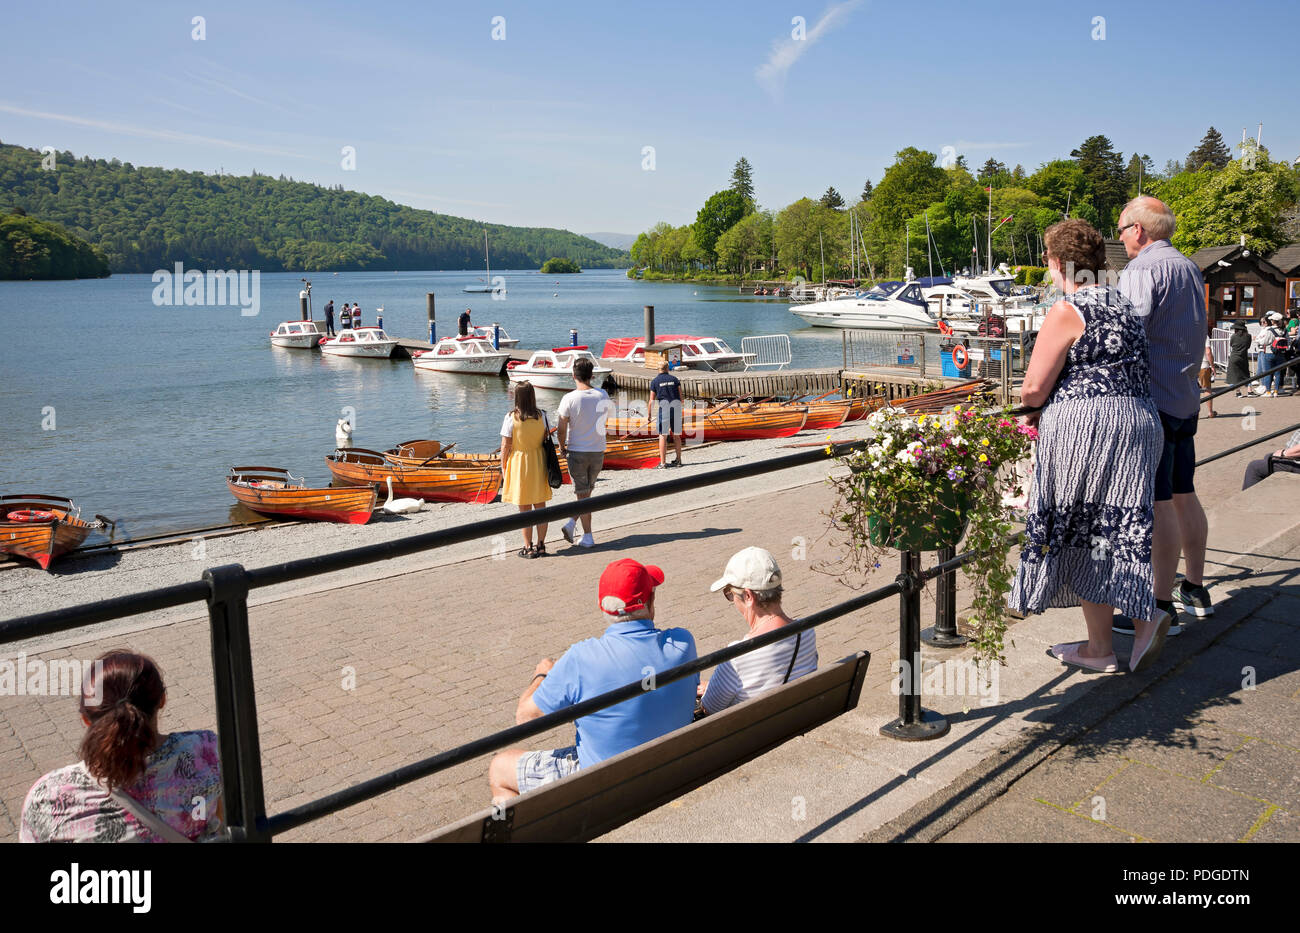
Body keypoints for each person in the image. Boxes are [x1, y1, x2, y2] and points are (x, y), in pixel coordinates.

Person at [1009, 219, 1169, 674]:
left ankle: (1123, 632)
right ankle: (1114, 636)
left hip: (1089, 427)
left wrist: (1031, 407)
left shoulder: (1069, 309)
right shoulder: (1124, 303)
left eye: (1046, 260)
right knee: (1116, 529)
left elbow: (1034, 388)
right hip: (1139, 421)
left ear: (1058, 263)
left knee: (1081, 527)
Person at [487, 559, 696, 798]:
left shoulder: (581, 658)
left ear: (601, 606)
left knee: (500, 767)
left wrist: (542, 674)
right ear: (651, 602)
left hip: (601, 787)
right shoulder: (682, 642)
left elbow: (525, 717)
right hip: (672, 771)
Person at [1116, 196, 1213, 629]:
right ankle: (1193, 586)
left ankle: (1158, 606)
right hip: (1184, 396)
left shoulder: (1143, 269)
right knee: (1182, 492)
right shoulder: (1189, 266)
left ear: (1138, 230)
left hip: (1152, 401)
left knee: (1157, 504)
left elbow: (1126, 335)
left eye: (1120, 229)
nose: (1119, 238)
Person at [20, 650, 223, 842]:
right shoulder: (207, 752)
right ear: (162, 700)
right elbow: (229, 822)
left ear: (86, 719)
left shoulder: (48, 798)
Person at [697, 547, 818, 716]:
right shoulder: (807, 632)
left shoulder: (737, 656)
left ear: (748, 596)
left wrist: (713, 687)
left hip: (750, 735)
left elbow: (709, 709)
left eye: (730, 594)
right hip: (794, 719)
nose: (732, 601)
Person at [557, 357, 611, 548]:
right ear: (592, 376)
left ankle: (581, 530)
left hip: (577, 450)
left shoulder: (569, 398)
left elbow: (561, 428)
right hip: (597, 450)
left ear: (573, 375)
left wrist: (561, 447)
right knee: (586, 493)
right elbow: (606, 419)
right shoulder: (602, 395)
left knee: (582, 493)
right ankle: (578, 528)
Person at [500, 381, 552, 557]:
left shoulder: (511, 418)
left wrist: (503, 467)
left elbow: (505, 446)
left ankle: (528, 547)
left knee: (524, 509)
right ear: (532, 396)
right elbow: (546, 438)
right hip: (539, 460)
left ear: (517, 397)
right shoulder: (542, 415)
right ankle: (542, 544)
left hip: (519, 462)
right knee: (540, 506)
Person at [649, 360, 684, 468]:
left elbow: (651, 401)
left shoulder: (655, 381)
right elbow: (681, 398)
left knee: (663, 436)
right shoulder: (674, 379)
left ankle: (663, 463)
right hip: (676, 408)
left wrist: (649, 415)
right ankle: (678, 460)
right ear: (668, 368)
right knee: (677, 435)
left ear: (658, 369)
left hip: (664, 409)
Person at [1228, 322, 1251, 394]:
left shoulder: (1233, 336)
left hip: (1234, 356)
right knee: (1246, 374)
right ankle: (1249, 391)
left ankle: (1238, 392)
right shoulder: (1248, 336)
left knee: (1235, 375)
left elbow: (1231, 344)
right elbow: (1248, 346)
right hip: (1243, 357)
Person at [1199, 339, 1217, 417]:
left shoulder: (1187, 333)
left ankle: (1195, 414)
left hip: (1190, 366)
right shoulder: (1204, 335)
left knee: (1193, 390)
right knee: (1207, 389)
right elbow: (1208, 352)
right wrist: (1212, 366)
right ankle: (1210, 412)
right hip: (1203, 365)